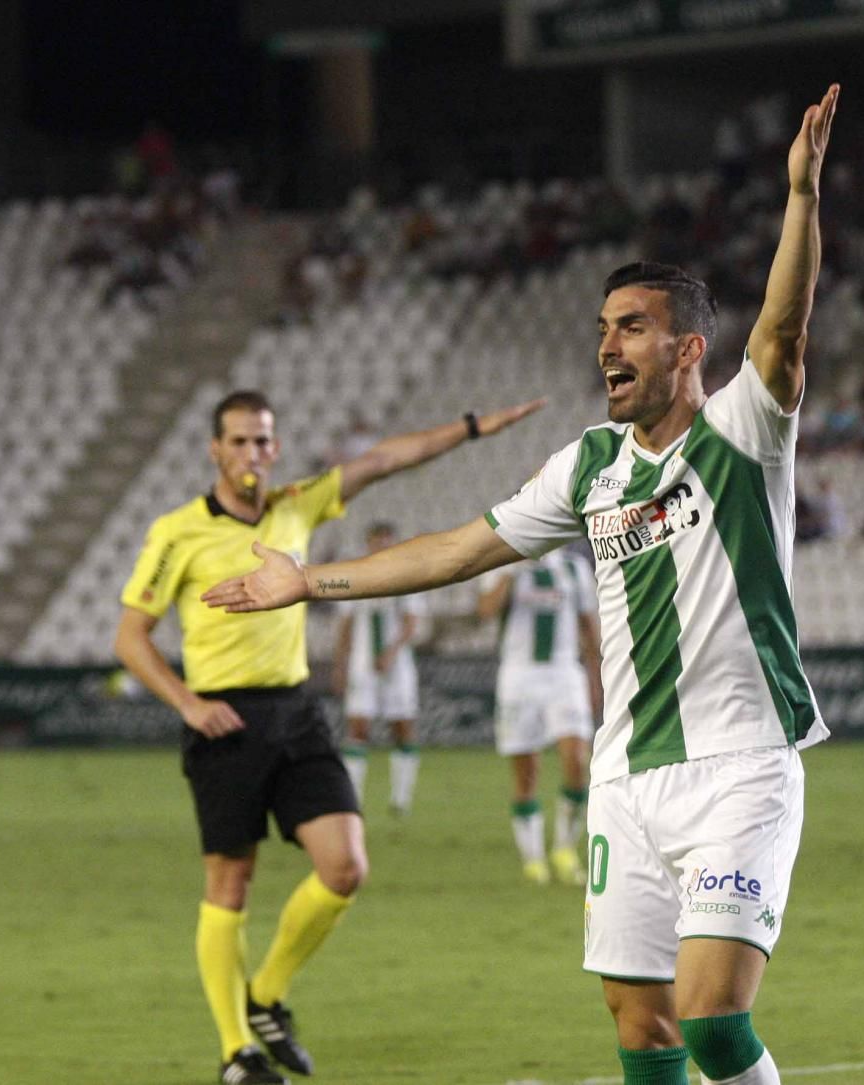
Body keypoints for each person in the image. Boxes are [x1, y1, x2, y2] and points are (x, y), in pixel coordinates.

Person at [204, 84, 839, 1085]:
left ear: (686, 349)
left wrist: (800, 199)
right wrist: (308, 581)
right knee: (642, 1025)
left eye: (632, 327)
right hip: (628, 776)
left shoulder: (742, 434)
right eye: (603, 327)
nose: (607, 346)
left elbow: (784, 333)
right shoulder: (587, 466)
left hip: (741, 765)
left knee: (714, 1016)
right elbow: (458, 549)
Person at [114, 389, 543, 1085]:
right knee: (230, 882)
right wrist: (189, 704)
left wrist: (470, 427)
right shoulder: (177, 531)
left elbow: (383, 460)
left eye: (264, 440)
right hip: (223, 717)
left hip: (296, 708)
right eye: (241, 440)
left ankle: (266, 993)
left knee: (345, 866)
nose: (254, 452)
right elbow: (130, 637)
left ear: (275, 448)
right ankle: (236, 1053)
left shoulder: (297, 503)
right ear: (215, 450)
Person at [475, 548, 602, 885]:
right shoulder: (503, 561)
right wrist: (510, 570)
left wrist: (597, 676)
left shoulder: (574, 567)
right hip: (519, 676)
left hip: (564, 674)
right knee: (526, 772)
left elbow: (589, 627)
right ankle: (533, 858)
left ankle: (564, 848)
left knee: (577, 760)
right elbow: (485, 610)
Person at [333, 521, 428, 815]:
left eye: (388, 542)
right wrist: (340, 665)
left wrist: (391, 652)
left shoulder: (407, 577)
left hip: (398, 668)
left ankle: (401, 799)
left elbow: (412, 624)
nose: (383, 547)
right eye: (378, 542)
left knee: (402, 728)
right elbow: (346, 627)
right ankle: (354, 801)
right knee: (358, 728)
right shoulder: (355, 577)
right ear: (369, 545)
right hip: (363, 666)